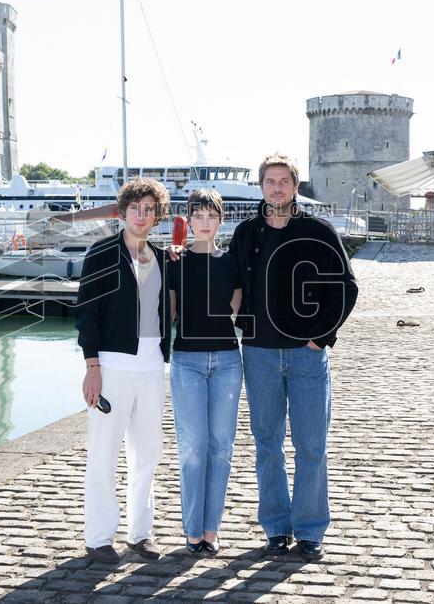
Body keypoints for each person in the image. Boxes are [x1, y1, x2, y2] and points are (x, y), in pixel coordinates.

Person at [230, 154, 358, 561]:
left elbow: (346, 287)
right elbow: (226, 280)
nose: (277, 187)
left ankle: (309, 530)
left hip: (307, 356)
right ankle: (275, 527)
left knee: (311, 445)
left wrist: (321, 337)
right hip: (259, 354)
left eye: (284, 181)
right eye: (270, 181)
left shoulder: (318, 231)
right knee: (267, 444)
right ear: (262, 187)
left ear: (295, 186)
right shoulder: (247, 233)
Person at [76, 178, 172, 565]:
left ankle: (140, 533)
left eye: (150, 209)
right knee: (103, 454)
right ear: (123, 211)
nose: (142, 215)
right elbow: (86, 313)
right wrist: (92, 367)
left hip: (152, 366)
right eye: (136, 207)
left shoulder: (165, 258)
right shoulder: (101, 254)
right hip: (112, 366)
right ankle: (98, 537)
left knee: (147, 452)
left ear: (157, 215)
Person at [167, 189, 243, 555]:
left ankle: (212, 528)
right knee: (194, 447)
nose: (205, 222)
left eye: (212, 215)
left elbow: (236, 310)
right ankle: (192, 528)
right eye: (198, 215)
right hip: (187, 362)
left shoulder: (232, 263)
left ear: (221, 220)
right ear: (188, 220)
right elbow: (169, 313)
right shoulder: (175, 263)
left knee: (221, 447)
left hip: (228, 361)